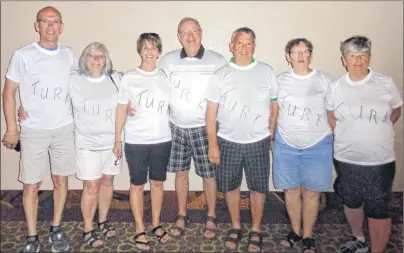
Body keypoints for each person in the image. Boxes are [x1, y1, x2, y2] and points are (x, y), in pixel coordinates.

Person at [18, 42, 123, 249]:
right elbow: (47, 92)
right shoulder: (73, 79)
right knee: (91, 186)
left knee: (107, 182)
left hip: (113, 142)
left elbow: (127, 102)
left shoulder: (116, 79)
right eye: (91, 56)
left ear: (106, 59)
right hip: (86, 142)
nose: (95, 60)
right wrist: (25, 108)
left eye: (100, 56)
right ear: (84, 59)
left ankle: (102, 221)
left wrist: (131, 112)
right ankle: (87, 229)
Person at [2, 6, 74, 253]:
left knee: (60, 180)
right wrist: (13, 127)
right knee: (31, 185)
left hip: (64, 128)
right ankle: (32, 236)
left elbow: (86, 84)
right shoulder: (23, 55)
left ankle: (56, 227)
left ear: (62, 27)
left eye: (55, 22)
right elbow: (9, 92)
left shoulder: (70, 54)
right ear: (37, 26)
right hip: (33, 130)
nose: (51, 26)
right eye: (45, 21)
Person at [326, 35, 402, 253]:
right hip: (346, 158)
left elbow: (396, 110)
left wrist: (376, 129)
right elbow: (332, 117)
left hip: (380, 160)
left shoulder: (384, 81)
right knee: (351, 201)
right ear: (344, 60)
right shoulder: (335, 87)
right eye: (352, 56)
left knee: (379, 208)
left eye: (363, 55)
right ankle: (358, 238)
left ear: (369, 57)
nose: (358, 61)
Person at [205, 27, 279, 252]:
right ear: (231, 46)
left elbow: (274, 107)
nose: (244, 48)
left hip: (258, 141)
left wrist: (271, 136)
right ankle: (236, 226)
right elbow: (210, 113)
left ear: (254, 47)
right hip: (227, 141)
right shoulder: (220, 74)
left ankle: (256, 228)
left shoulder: (267, 71)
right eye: (240, 43)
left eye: (249, 44)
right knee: (230, 186)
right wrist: (213, 145)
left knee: (258, 188)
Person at [155, 17, 227, 239]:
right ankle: (181, 215)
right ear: (178, 37)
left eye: (194, 31)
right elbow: (155, 88)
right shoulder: (167, 61)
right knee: (181, 174)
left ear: (201, 33)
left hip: (205, 129)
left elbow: (226, 94)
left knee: (209, 175)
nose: (190, 36)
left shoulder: (217, 61)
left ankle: (211, 216)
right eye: (184, 32)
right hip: (176, 127)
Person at [273, 38, 334, 253]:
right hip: (286, 143)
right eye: (295, 52)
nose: (300, 55)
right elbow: (273, 111)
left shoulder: (324, 79)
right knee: (291, 190)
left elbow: (332, 112)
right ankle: (295, 231)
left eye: (304, 51)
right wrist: (270, 137)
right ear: (288, 57)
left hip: (318, 144)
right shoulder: (279, 80)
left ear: (310, 54)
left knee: (311, 193)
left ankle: (308, 235)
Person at [114, 33, 171, 251]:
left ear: (159, 52)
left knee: (157, 183)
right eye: (145, 47)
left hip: (162, 139)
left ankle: (156, 223)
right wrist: (116, 139)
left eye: (153, 47)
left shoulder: (166, 77)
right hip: (136, 141)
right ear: (140, 51)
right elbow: (121, 108)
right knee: (137, 185)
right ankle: (139, 227)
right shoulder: (129, 77)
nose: (149, 51)